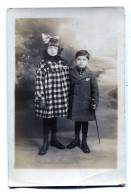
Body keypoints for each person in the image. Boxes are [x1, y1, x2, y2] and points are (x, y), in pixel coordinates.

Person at [35, 33, 70, 155]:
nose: (53, 50)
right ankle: (45, 142)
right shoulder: (43, 65)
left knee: (54, 117)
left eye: (55, 47)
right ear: (46, 49)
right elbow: (39, 82)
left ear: (58, 49)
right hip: (48, 97)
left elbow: (66, 78)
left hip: (59, 95)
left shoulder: (62, 63)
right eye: (50, 47)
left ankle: (54, 139)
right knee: (47, 119)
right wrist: (41, 98)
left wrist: (67, 94)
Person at [67, 50, 99, 153]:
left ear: (87, 61)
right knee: (77, 121)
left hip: (86, 102)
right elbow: (67, 87)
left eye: (84, 59)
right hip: (75, 102)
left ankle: (84, 142)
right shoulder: (71, 72)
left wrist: (94, 102)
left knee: (84, 122)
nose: (81, 62)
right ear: (75, 60)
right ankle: (76, 139)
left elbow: (95, 90)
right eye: (79, 59)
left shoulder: (90, 74)